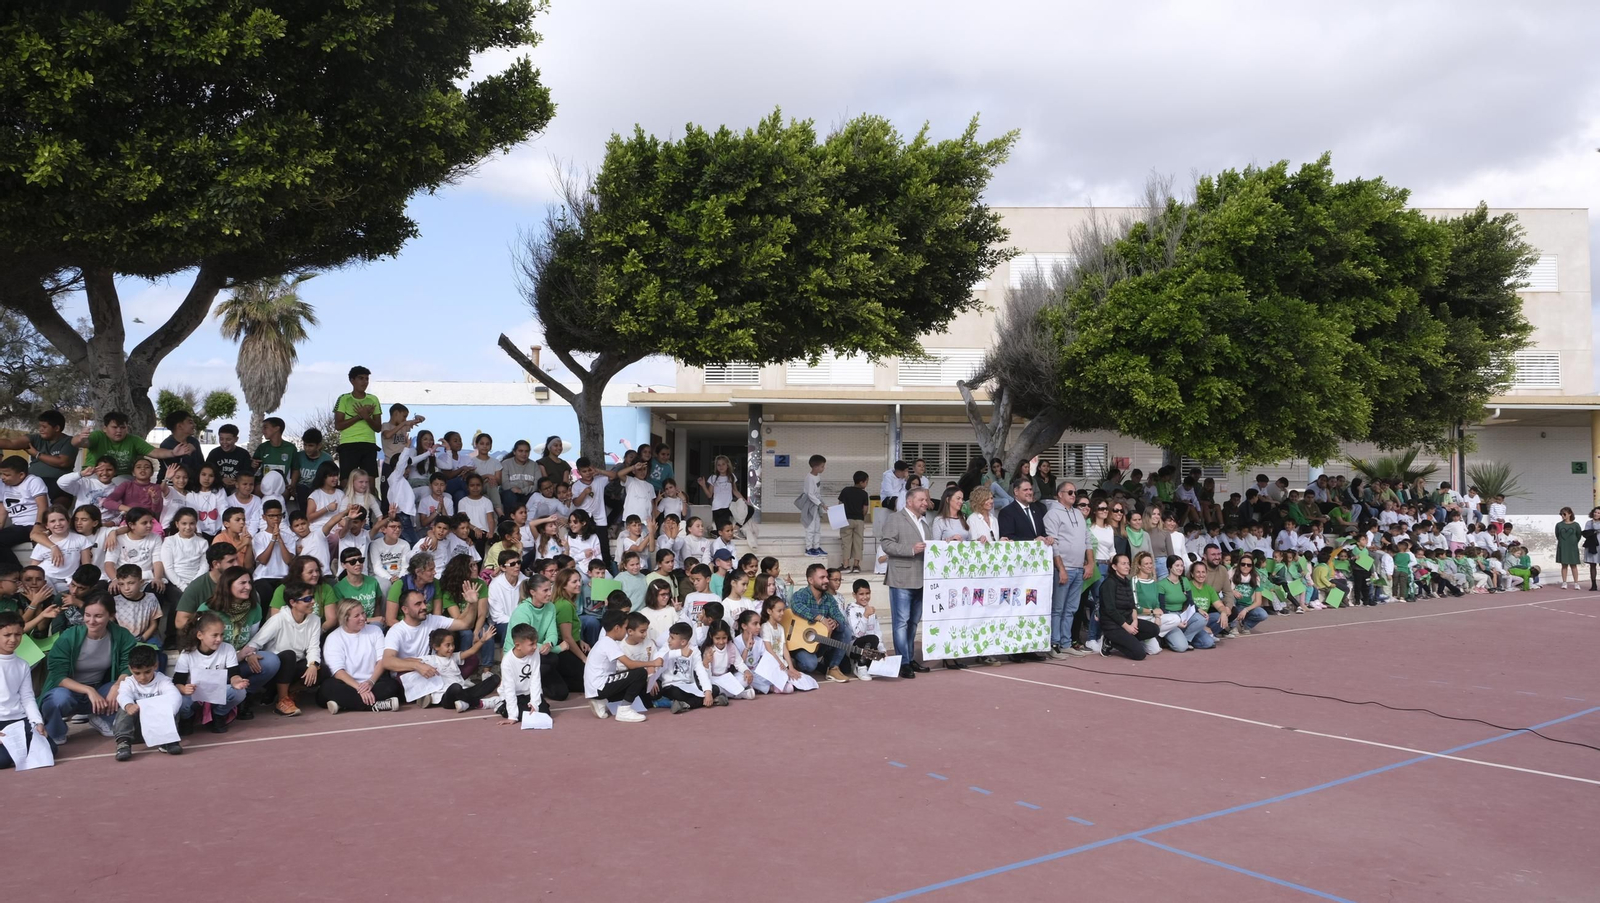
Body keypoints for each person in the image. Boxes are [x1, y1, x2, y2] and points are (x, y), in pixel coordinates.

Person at [40, 591, 136, 745]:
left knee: (126, 687)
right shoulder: (68, 637)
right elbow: (58, 676)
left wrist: (117, 685)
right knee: (59, 699)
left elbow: (129, 666)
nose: (91, 621)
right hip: (69, 691)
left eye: (98, 616)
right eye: (87, 615)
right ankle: (55, 730)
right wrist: (88, 690)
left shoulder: (121, 635)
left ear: (111, 616)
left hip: (99, 691)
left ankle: (101, 718)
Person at [245, 582, 323, 716]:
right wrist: (249, 655)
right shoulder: (278, 619)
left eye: (312, 597)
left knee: (323, 669)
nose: (313, 602)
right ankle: (282, 701)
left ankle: (291, 691)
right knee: (288, 655)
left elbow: (314, 647)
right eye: (307, 599)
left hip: (296, 665)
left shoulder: (315, 619)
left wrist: (313, 665)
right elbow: (255, 643)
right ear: (293, 602)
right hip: (276, 669)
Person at [880, 485, 932, 679]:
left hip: (920, 578)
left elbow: (931, 547)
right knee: (901, 622)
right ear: (910, 501)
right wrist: (910, 549)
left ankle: (909, 657)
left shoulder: (924, 523)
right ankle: (903, 661)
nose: (925, 503)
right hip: (901, 577)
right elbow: (886, 544)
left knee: (912, 622)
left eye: (925, 500)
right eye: (921, 500)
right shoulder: (895, 519)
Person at [319, 600, 401, 713]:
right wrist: (359, 688)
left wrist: (370, 682)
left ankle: (344, 704)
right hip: (348, 684)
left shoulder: (375, 631)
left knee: (392, 686)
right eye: (356, 616)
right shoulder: (334, 638)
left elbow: (382, 660)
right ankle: (376, 705)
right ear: (345, 618)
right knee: (327, 688)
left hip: (373, 682)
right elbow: (338, 671)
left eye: (363, 613)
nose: (362, 618)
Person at [1044, 481, 1092, 657]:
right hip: (1063, 569)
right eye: (1070, 492)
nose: (1073, 495)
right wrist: (1061, 569)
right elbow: (1053, 544)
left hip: (1079, 568)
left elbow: (1087, 540)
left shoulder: (1079, 514)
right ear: (1060, 494)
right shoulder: (1052, 514)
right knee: (1057, 608)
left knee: (1071, 609)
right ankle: (1053, 643)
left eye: (1075, 492)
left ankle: (1065, 642)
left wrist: (1090, 563)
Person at [112, 645, 183, 760]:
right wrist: (128, 705)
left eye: (147, 672)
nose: (143, 677)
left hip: (158, 729)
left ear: (155, 666)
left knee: (170, 704)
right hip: (135, 731)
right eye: (137, 673)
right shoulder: (128, 683)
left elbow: (175, 696)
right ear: (130, 669)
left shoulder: (163, 681)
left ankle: (169, 740)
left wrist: (169, 712)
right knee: (125, 708)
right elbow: (123, 695)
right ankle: (123, 743)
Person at [787, 563, 854, 682]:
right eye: (822, 578)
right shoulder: (801, 594)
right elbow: (796, 606)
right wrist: (820, 618)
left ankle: (833, 668)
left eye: (827, 577)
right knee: (810, 665)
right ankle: (795, 660)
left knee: (845, 631)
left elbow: (840, 617)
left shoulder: (829, 599)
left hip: (819, 643)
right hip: (798, 642)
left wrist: (836, 623)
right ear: (811, 580)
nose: (826, 580)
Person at [0, 610, 50, 769]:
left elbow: (27, 698)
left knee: (50, 748)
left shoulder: (22, 665)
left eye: (18, 634)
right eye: (7, 635)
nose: (13, 640)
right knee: (2, 760)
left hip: (18, 721)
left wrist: (37, 722)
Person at [582, 610, 652, 722]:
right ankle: (624, 710)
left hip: (595, 687)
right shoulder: (608, 643)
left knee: (632, 680)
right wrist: (653, 663)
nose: (626, 632)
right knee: (640, 673)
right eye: (625, 628)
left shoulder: (604, 642)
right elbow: (630, 664)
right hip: (600, 686)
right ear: (617, 628)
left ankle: (601, 701)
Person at [72, 410, 191, 477]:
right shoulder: (98, 435)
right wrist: (81, 438)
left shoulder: (133, 440)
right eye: (115, 427)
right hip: (94, 474)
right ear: (105, 428)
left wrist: (173, 452)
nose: (119, 431)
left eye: (122, 427)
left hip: (122, 477)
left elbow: (154, 452)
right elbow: (80, 443)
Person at [419, 627, 499, 712]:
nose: (451, 648)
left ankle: (465, 703)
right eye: (448, 645)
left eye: (453, 644)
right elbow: (410, 662)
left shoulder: (454, 657)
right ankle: (479, 703)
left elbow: (471, 651)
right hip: (446, 696)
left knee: (495, 679)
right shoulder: (429, 660)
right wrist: (418, 666)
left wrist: (482, 640)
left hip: (464, 691)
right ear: (436, 647)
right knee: (455, 687)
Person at [1097, 553, 1160, 660]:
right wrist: (1127, 627)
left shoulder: (1127, 582)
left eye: (1128, 564)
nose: (1127, 567)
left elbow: (1132, 606)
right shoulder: (1109, 583)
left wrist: (1134, 621)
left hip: (1128, 620)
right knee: (1140, 655)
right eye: (1123, 564)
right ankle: (1111, 641)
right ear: (1114, 567)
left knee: (1154, 629)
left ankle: (1126, 640)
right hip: (1113, 625)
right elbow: (1110, 610)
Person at [335, 365, 382, 482]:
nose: (365, 382)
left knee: (370, 482)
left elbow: (378, 427)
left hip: (368, 443)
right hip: (348, 444)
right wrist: (359, 416)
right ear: (352, 380)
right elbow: (338, 425)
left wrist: (367, 417)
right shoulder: (344, 399)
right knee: (346, 481)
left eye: (367, 379)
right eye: (361, 378)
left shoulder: (373, 399)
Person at [0, 455, 50, 549]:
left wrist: (38, 525)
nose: (3, 477)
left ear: (21, 475)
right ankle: (11, 564)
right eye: (1, 474)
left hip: (34, 524)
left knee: (40, 545)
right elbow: (2, 512)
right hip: (18, 527)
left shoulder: (33, 481)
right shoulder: (2, 485)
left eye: (7, 475)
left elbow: (43, 506)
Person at [697, 455, 746, 530]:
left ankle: (736, 529)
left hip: (728, 507)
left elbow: (735, 491)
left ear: (727, 465)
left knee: (749, 510)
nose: (721, 467)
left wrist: (744, 501)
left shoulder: (731, 477)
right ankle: (712, 532)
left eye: (723, 464)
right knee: (721, 530)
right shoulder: (713, 477)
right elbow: (709, 495)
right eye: (718, 465)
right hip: (717, 507)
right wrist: (703, 485)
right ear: (716, 466)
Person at [836, 471, 870, 574]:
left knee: (846, 542)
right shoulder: (864, 494)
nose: (867, 484)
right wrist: (860, 516)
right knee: (858, 542)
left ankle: (846, 565)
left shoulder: (845, 491)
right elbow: (865, 509)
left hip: (846, 520)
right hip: (859, 520)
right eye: (866, 482)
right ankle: (856, 565)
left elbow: (840, 504)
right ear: (861, 482)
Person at [799, 453, 826, 556]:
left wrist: (822, 502)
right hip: (809, 505)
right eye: (822, 466)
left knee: (817, 527)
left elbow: (817, 492)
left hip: (816, 504)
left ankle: (816, 547)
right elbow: (810, 494)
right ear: (815, 467)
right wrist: (820, 504)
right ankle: (808, 548)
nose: (823, 468)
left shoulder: (818, 476)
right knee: (810, 527)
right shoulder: (809, 478)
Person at [1555, 506, 1581, 589]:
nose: (1562, 515)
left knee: (1574, 565)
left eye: (1564, 514)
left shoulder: (1576, 525)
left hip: (1572, 547)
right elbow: (1557, 535)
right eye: (1561, 514)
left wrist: (1573, 542)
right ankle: (1564, 582)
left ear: (1570, 514)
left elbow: (1578, 535)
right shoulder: (1559, 525)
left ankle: (1576, 583)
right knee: (1564, 565)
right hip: (1563, 546)